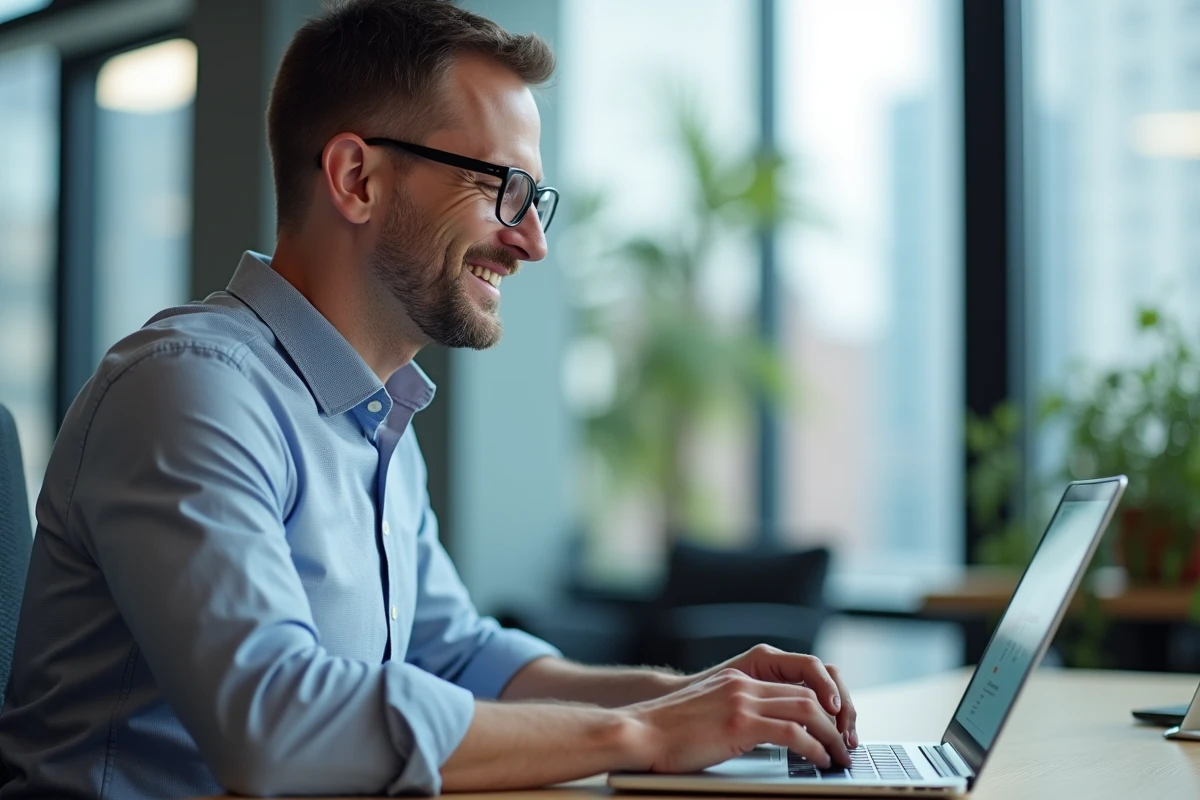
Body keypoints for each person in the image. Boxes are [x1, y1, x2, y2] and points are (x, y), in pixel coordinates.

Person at [0, 1, 857, 797]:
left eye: (537, 199)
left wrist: (705, 697)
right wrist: (637, 732)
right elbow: (275, 726)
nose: (532, 242)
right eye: (502, 189)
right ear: (356, 178)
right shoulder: (188, 390)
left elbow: (458, 656)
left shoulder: (376, 419)